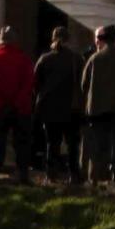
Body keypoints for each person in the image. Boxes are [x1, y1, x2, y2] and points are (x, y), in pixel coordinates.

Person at [80, 24, 115, 186]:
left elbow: (84, 84)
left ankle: (95, 178)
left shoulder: (94, 59)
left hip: (96, 109)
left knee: (97, 146)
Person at [0, 25, 34, 185]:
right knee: (22, 143)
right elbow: (29, 84)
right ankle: (23, 175)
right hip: (21, 109)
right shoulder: (24, 60)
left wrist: (0, 102)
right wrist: (17, 102)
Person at [34, 26, 82, 185]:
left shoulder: (45, 59)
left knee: (51, 143)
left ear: (53, 39)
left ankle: (51, 175)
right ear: (68, 39)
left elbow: (36, 82)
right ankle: (74, 174)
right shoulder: (77, 59)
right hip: (71, 108)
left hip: (50, 107)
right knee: (72, 144)